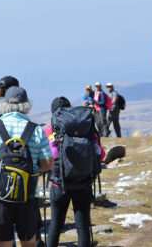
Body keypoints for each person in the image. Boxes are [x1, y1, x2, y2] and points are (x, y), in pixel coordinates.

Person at [0, 86, 54, 247]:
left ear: (4, 104)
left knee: (3, 241)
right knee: (29, 240)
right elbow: (47, 164)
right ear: (27, 105)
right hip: (27, 195)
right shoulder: (36, 130)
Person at [45, 96, 94, 247]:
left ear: (53, 112)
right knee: (83, 226)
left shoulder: (48, 130)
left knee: (55, 224)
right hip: (84, 182)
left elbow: (46, 159)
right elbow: (101, 154)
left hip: (59, 184)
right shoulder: (86, 128)